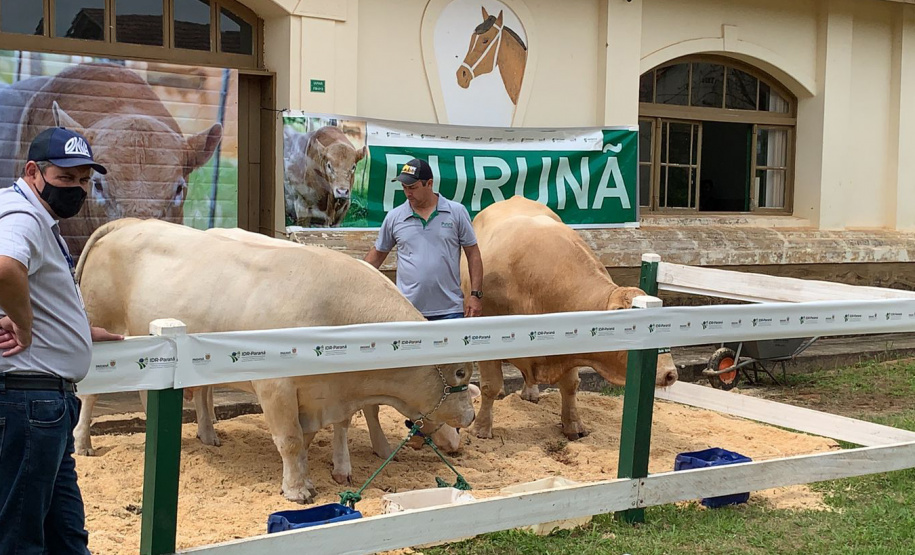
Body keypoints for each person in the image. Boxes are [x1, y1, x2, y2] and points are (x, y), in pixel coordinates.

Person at [0, 127, 124, 554]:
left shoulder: (26, 212)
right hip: (31, 403)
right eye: (66, 178)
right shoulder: (23, 216)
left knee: (66, 536)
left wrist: (73, 329)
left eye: (85, 180)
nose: (77, 189)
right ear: (33, 171)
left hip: (45, 408)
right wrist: (27, 325)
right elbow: (5, 268)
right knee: (20, 537)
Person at [365, 158, 484, 320]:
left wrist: (475, 295)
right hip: (407, 311)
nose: (408, 193)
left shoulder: (456, 212)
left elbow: (473, 254)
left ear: (429, 184)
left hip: (450, 310)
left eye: (412, 187)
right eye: (404, 187)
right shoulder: (394, 217)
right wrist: (353, 287)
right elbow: (377, 256)